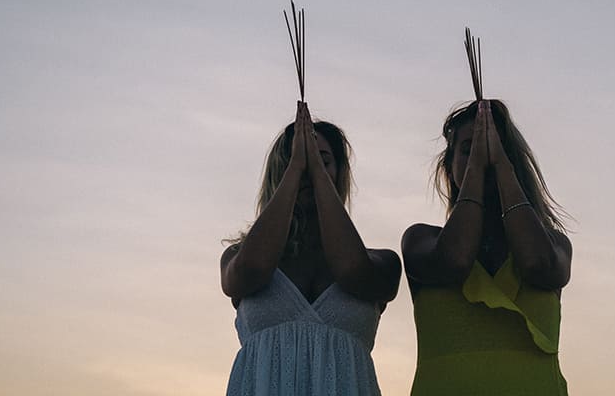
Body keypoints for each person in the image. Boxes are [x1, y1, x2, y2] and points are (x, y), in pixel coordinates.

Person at [220, 102, 401, 396]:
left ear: (338, 172)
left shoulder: (383, 262)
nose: (307, 167)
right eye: (294, 160)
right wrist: (296, 169)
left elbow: (352, 271)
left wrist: (315, 171)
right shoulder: (237, 256)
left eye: (322, 160)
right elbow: (251, 271)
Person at [402, 99, 572, 395]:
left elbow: (536, 264)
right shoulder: (420, 241)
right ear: (449, 165)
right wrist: (477, 172)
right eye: (468, 150)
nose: (483, 157)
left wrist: (501, 167)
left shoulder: (554, 244)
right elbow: (454, 260)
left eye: (497, 150)